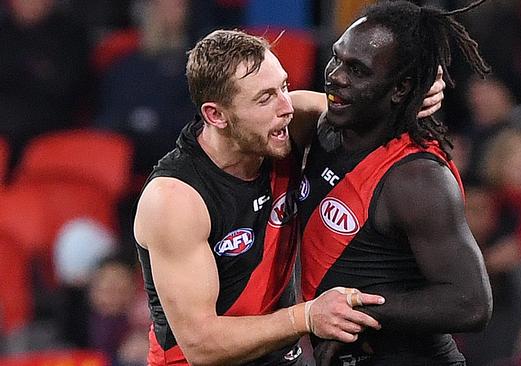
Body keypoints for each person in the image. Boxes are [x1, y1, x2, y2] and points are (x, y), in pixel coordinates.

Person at [133, 28, 445, 365]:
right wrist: (307, 317)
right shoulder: (175, 200)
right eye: (264, 97)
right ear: (216, 115)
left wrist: (411, 88)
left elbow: (362, 105)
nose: (285, 105)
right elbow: (202, 346)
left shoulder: (288, 124)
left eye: (283, 85)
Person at [297, 1, 493, 365]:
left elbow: (471, 304)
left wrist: (354, 310)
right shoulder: (326, 128)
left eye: (357, 70)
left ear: (401, 89)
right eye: (337, 58)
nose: (337, 76)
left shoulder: (417, 177)